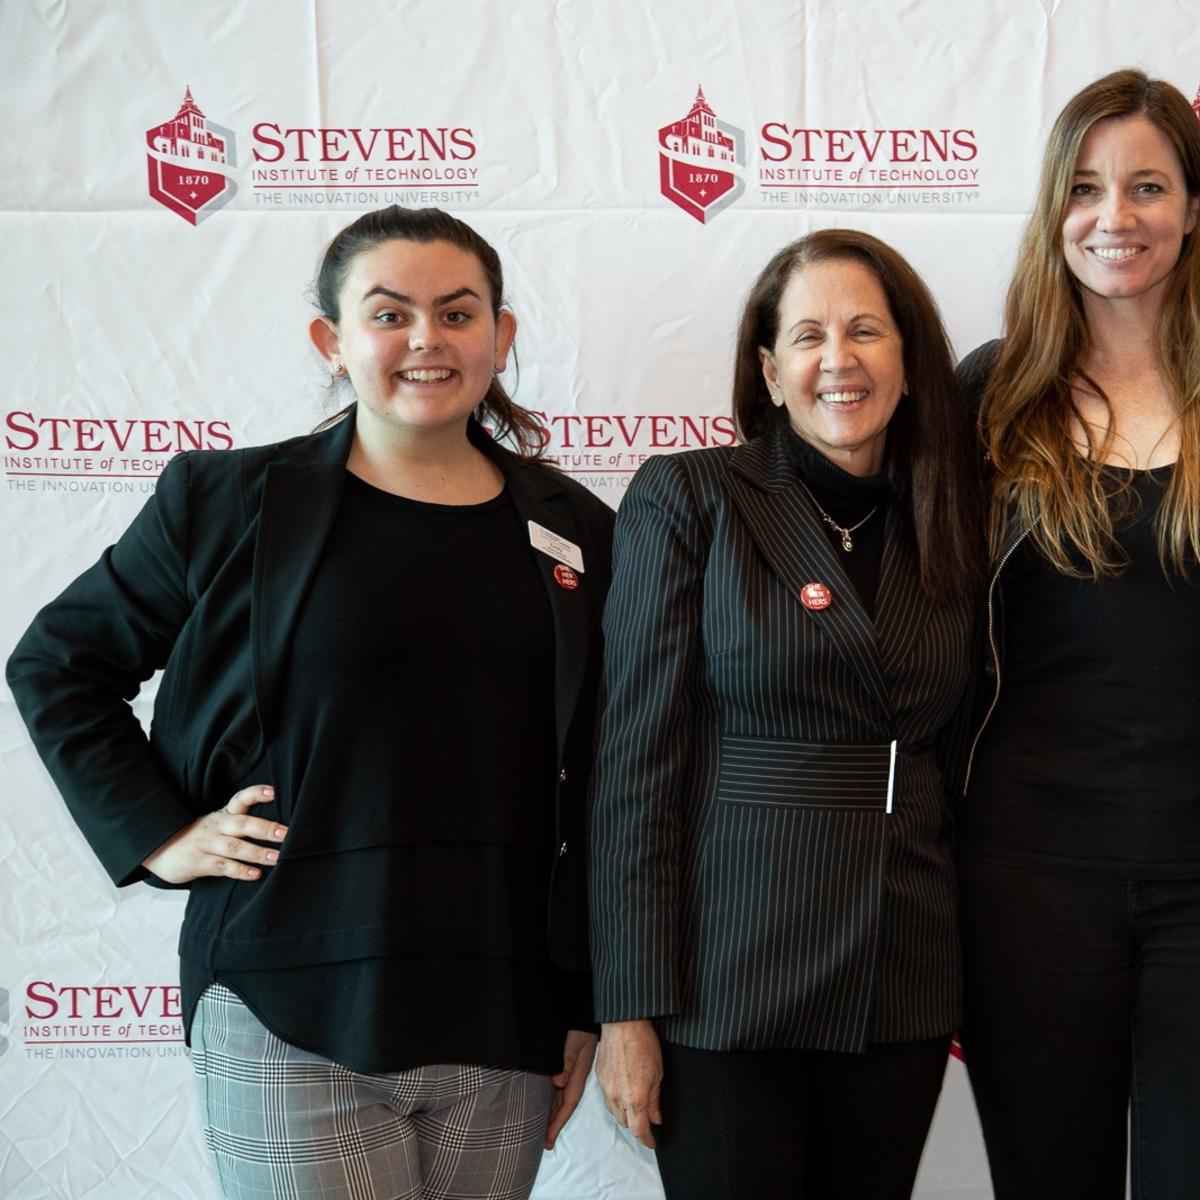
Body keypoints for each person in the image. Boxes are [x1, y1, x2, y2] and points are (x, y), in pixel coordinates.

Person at [6, 206, 614, 1200]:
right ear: (331, 342)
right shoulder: (228, 503)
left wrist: (588, 999)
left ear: (501, 338)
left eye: (458, 313)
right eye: (389, 313)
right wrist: (160, 833)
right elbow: (58, 663)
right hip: (285, 995)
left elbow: (602, 774)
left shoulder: (578, 531)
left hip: (504, 1007)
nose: (427, 339)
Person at [589, 229, 983, 1199]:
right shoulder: (691, 498)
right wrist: (626, 1010)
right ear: (769, 371)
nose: (837, 360)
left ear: (907, 358)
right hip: (724, 970)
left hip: (902, 957)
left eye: (864, 332)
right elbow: (635, 766)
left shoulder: (958, 513)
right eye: (807, 336)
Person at [956, 69, 1200, 1200]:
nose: (1118, 218)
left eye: (1148, 186)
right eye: (1089, 188)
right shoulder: (991, 396)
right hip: (1031, 877)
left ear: (1193, 208)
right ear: (1055, 209)